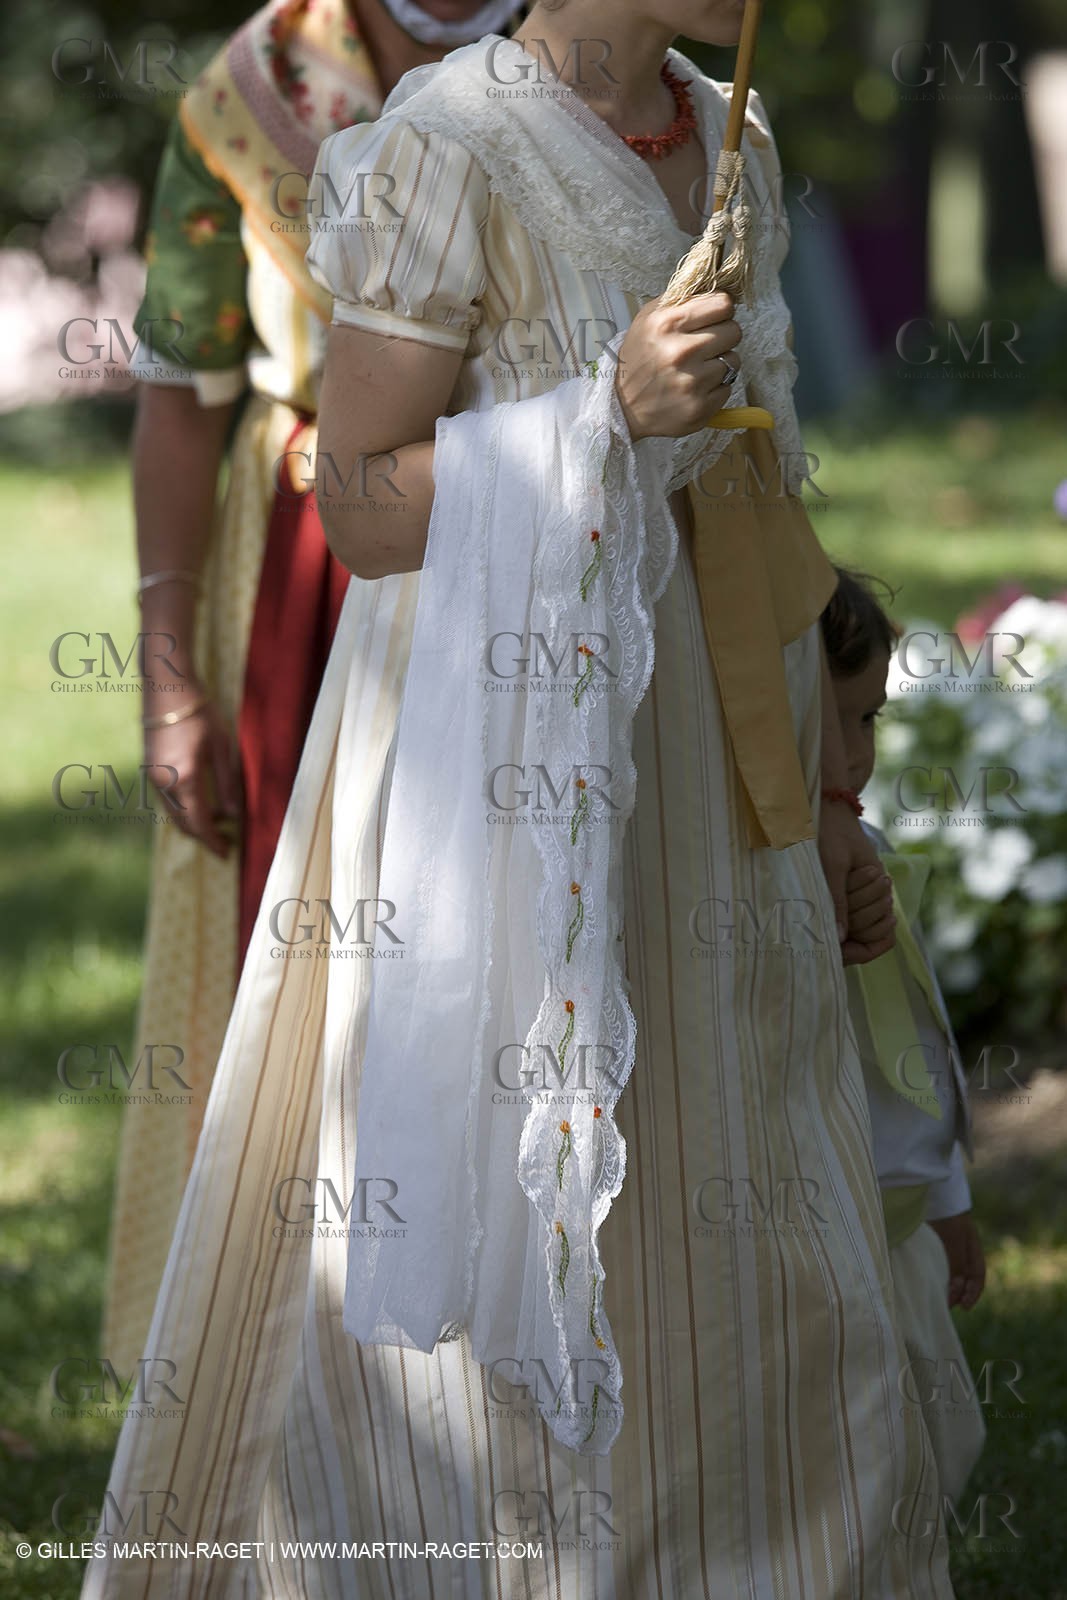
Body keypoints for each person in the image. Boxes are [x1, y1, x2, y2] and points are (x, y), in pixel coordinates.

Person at [84, 5, 954, 1595]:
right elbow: (353, 500)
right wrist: (597, 416)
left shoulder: (730, 134)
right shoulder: (443, 147)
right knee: (553, 1204)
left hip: (717, 768)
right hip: (511, 774)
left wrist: (827, 794)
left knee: (770, 1210)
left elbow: (760, 497)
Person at [106, 0, 523, 1377]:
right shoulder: (251, 93)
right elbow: (182, 401)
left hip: (536, 526)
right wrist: (171, 680)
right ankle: (301, 1341)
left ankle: (520, 1309)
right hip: (310, 564)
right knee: (322, 951)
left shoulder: (597, 50)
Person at [823, 566, 987, 1503]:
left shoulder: (867, 861)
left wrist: (946, 1193)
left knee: (929, 1444)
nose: (853, 758)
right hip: (815, 1237)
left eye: (870, 722)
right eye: (831, 722)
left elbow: (912, 1044)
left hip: (896, 1233)